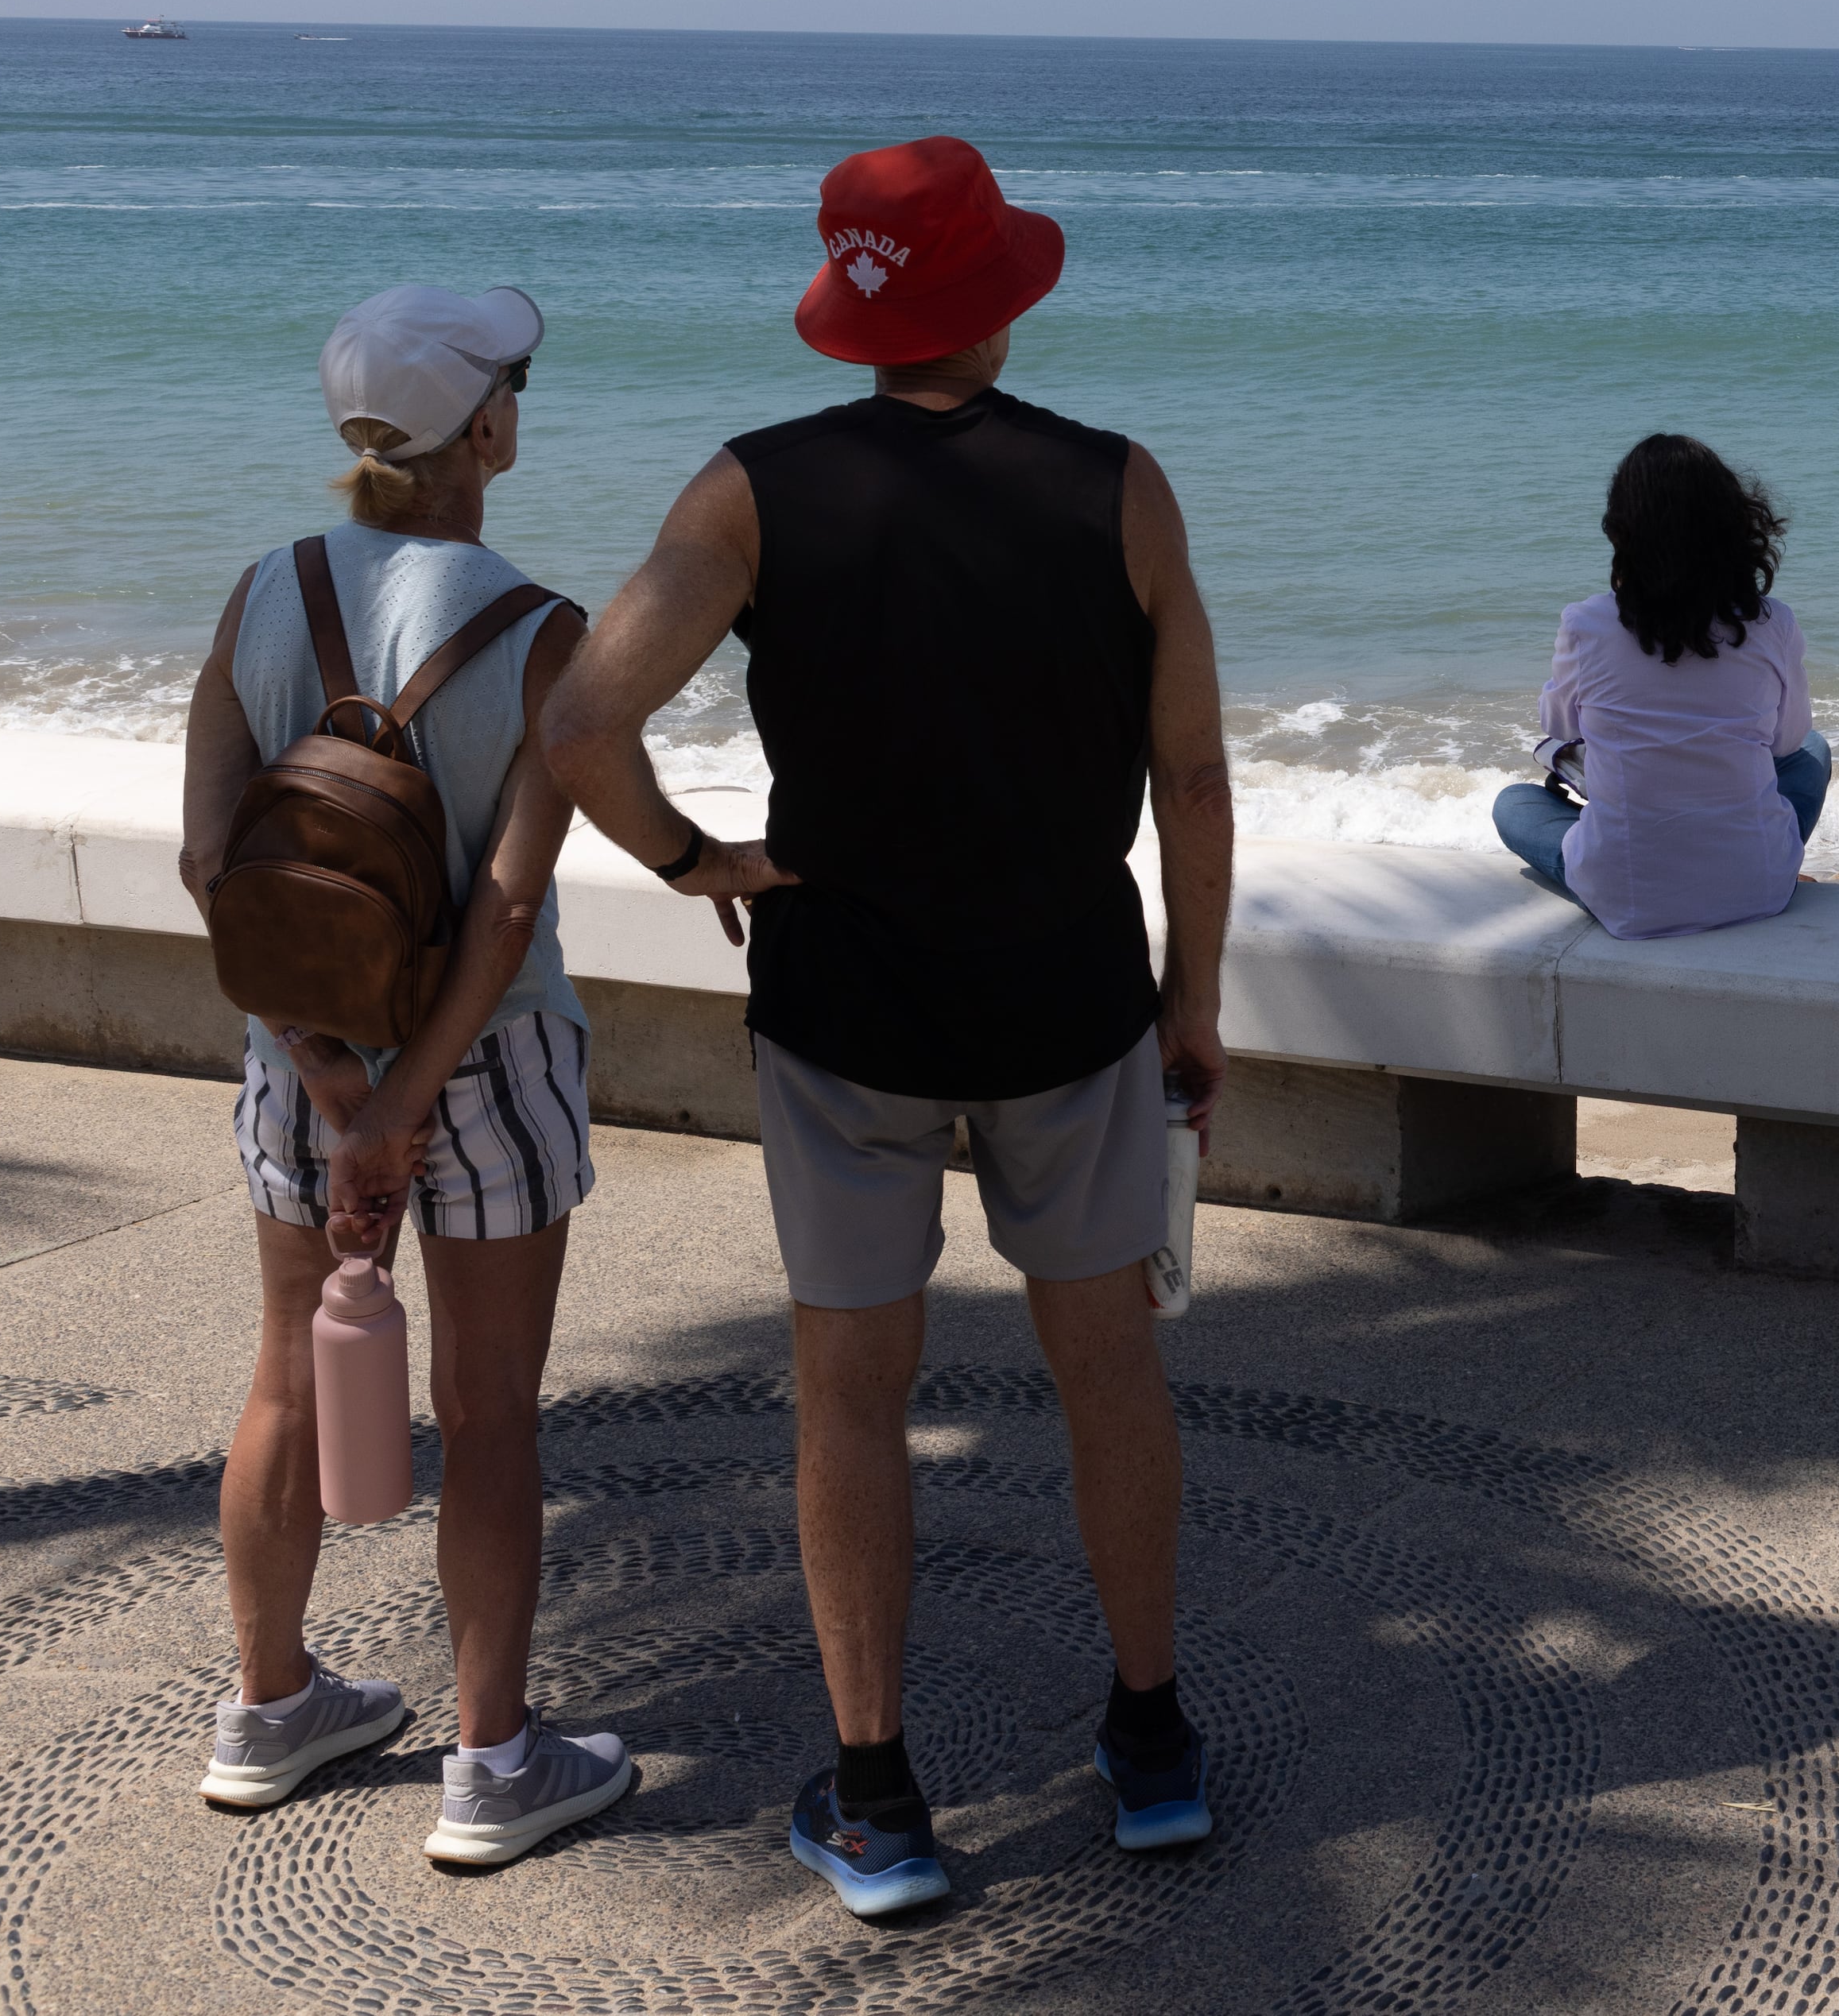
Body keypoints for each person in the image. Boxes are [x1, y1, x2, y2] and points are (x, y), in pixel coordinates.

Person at [544, 135, 1232, 1921]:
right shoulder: (1119, 486)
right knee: (1111, 1373)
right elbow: (1192, 774)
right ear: (1004, 294)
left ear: (855, 311)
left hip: (842, 1008)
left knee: (851, 1394)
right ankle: (1150, 1740)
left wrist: (702, 857)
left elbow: (582, 723)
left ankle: (878, 1798)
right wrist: (1195, 1004)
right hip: (1076, 1002)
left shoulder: (754, 490)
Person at [176, 285, 640, 1864]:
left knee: (288, 1378)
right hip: (491, 1066)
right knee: (489, 1412)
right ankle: (493, 1760)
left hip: (292, 1064)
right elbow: (505, 905)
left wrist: (330, 1079)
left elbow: (205, 853)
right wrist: (408, 1097)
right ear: (487, 428)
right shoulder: (539, 625)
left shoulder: (263, 591)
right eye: (515, 381)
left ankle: (268, 1705)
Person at [1495, 433, 1829, 939]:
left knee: (1515, 804)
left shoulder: (1588, 623)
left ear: (1624, 530)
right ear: (1732, 523)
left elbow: (1559, 725)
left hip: (1632, 899)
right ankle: (1747, 851)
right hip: (1758, 888)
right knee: (1813, 750)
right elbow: (1785, 742)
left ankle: (1617, 842)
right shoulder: (1772, 623)